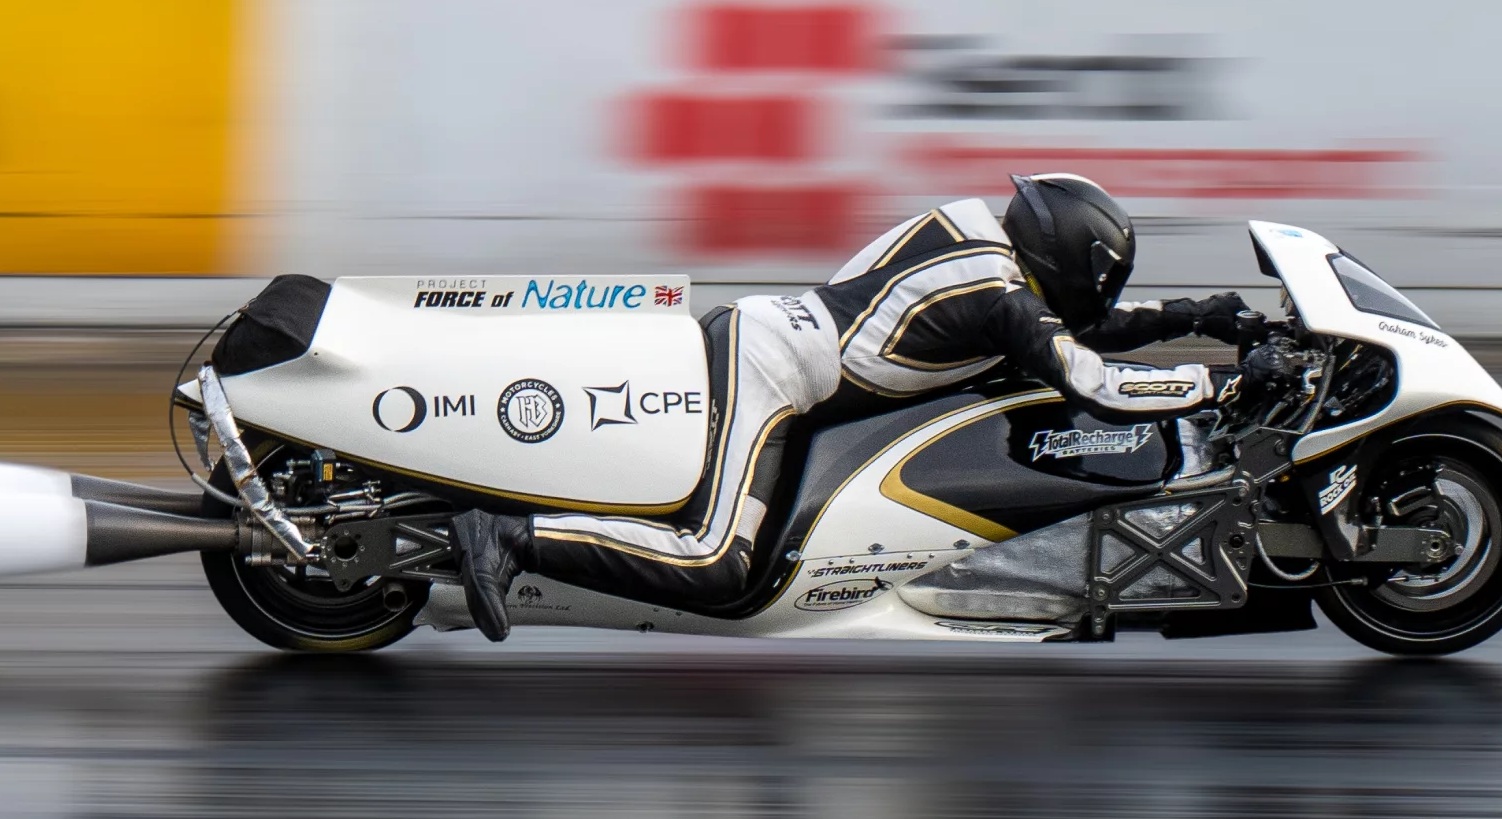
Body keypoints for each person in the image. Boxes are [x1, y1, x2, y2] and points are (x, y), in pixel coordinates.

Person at [450, 173, 1252, 640]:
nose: (1096, 293)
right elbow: (1086, 374)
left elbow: (1081, 328)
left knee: (725, 552)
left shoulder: (976, 245)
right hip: (774, 370)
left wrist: (1194, 314)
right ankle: (507, 534)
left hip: (775, 345)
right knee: (717, 563)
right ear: (1071, 258)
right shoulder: (1001, 295)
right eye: (1098, 275)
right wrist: (1211, 383)